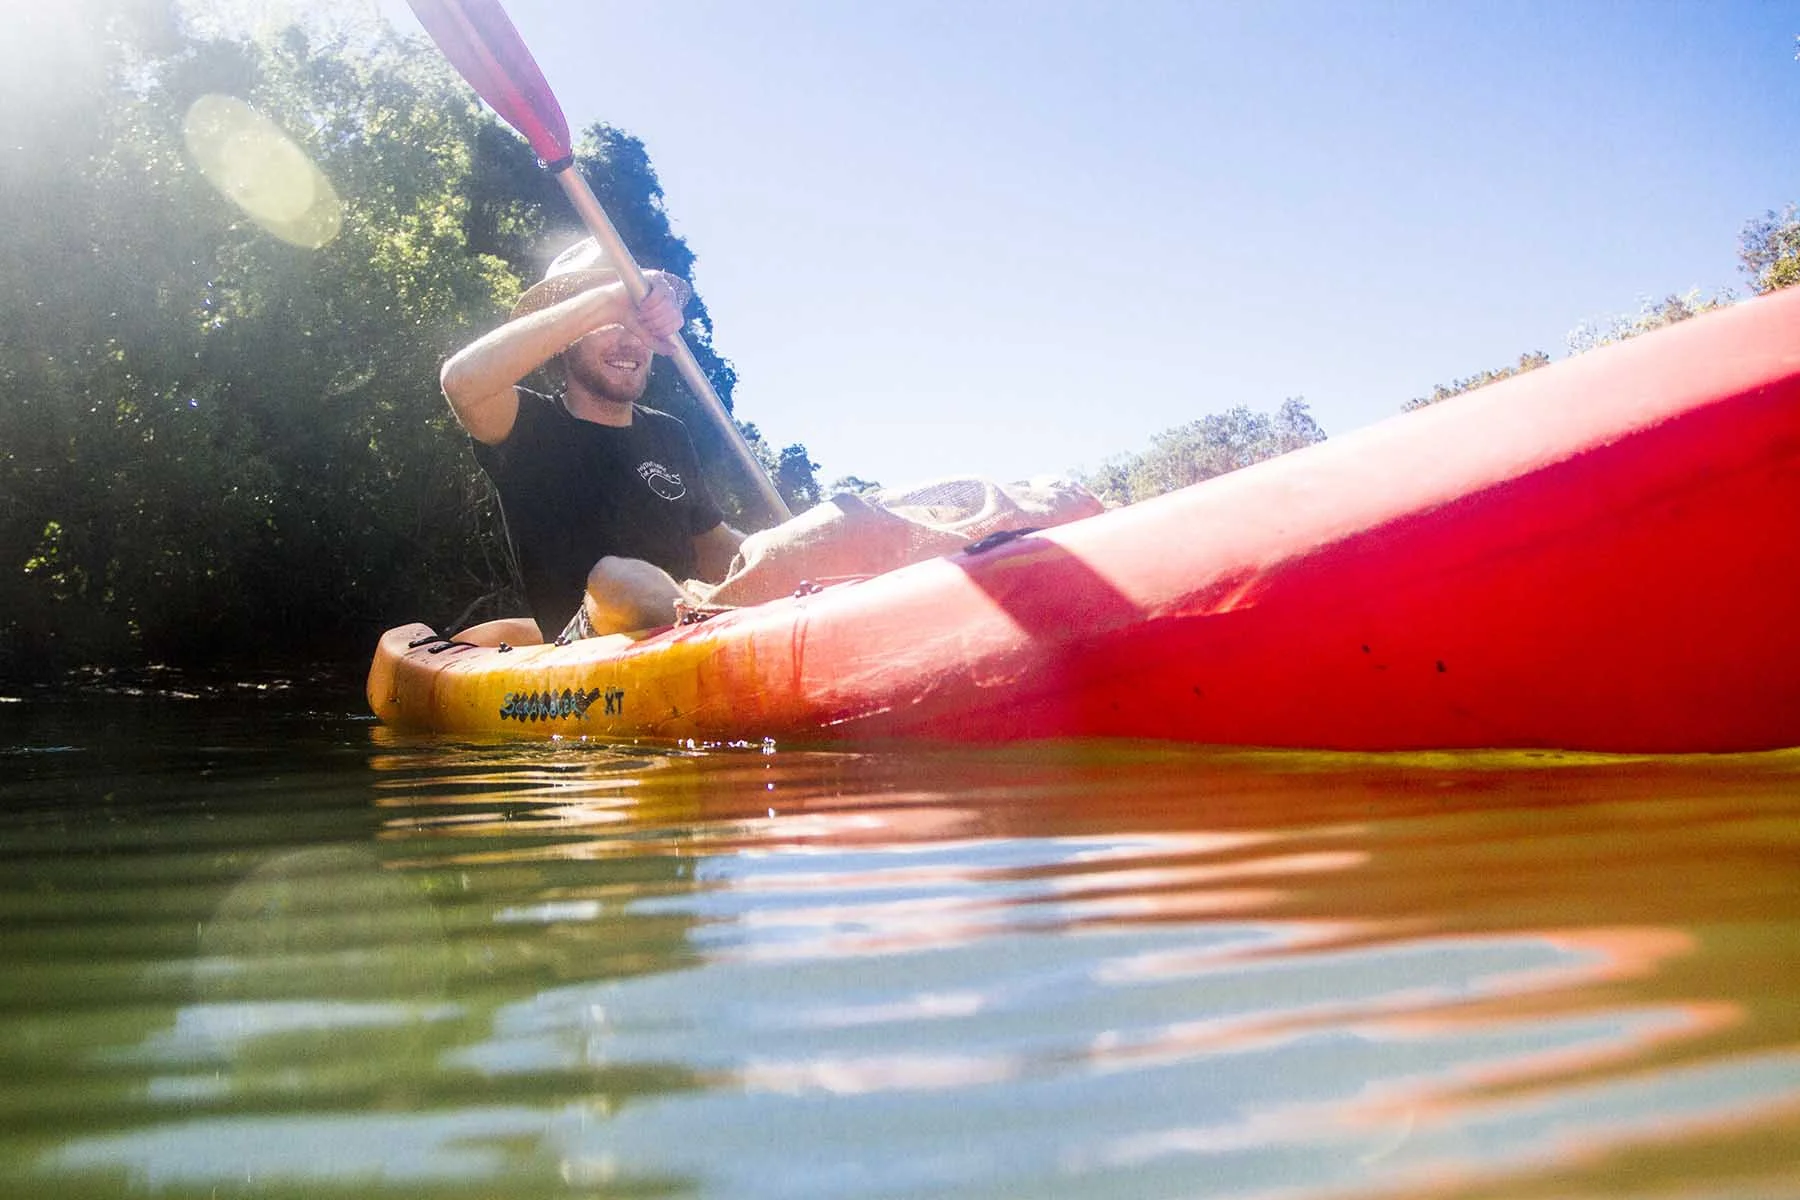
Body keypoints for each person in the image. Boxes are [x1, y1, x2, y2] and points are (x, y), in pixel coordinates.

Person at [438, 238, 745, 643]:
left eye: (639, 320)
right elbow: (461, 383)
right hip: (580, 648)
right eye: (609, 321)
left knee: (821, 532)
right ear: (566, 334)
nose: (631, 338)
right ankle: (713, 636)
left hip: (698, 621)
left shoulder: (669, 433)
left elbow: (714, 542)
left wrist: (781, 551)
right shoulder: (528, 424)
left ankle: (719, 633)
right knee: (618, 579)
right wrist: (613, 299)